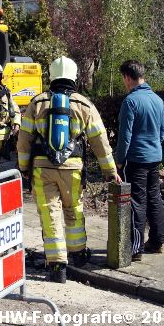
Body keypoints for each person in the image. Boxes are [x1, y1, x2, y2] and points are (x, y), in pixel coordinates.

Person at [17, 56, 121, 283]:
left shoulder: (37, 103)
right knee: (74, 209)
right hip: (73, 169)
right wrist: (110, 170)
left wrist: (24, 167)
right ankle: (79, 254)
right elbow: (99, 141)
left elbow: (23, 140)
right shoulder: (84, 105)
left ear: (52, 76)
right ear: (74, 76)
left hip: (42, 169)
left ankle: (57, 266)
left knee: (49, 213)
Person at [115, 60, 164, 262]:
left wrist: (119, 161)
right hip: (155, 157)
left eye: (123, 79)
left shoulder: (131, 101)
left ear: (128, 77)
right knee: (154, 198)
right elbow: (162, 133)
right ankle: (157, 241)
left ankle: (136, 249)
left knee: (137, 201)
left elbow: (124, 136)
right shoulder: (158, 100)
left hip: (136, 159)